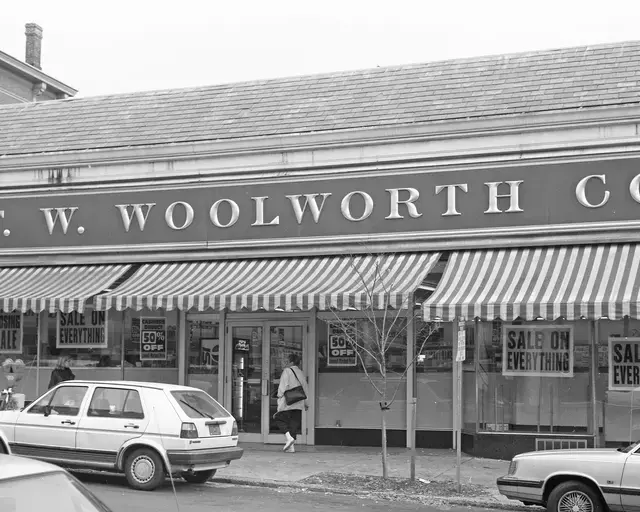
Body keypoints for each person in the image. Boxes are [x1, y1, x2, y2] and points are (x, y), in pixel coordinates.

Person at [274, 353, 309, 453]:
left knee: (279, 418)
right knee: (294, 423)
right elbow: (305, 388)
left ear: (291, 362)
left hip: (287, 401)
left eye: (287, 361)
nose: (286, 363)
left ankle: (289, 438)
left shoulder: (287, 371)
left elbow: (283, 386)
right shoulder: (301, 373)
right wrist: (306, 402)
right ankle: (291, 447)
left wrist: (279, 396)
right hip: (299, 401)